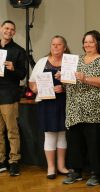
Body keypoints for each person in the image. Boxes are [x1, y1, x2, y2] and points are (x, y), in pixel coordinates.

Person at [61, 30, 100, 186]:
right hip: (74, 109)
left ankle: (97, 173)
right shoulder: (75, 59)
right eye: (85, 42)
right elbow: (68, 81)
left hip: (96, 111)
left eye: (91, 41)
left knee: (95, 145)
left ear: (98, 43)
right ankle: (76, 171)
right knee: (75, 142)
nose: (88, 44)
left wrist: (86, 78)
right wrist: (62, 77)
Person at [29, 35, 70, 179]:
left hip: (64, 101)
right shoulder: (42, 62)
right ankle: (51, 168)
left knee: (62, 133)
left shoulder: (69, 63)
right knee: (50, 134)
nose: (55, 47)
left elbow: (75, 82)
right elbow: (32, 82)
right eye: (53, 44)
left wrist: (64, 88)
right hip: (47, 102)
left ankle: (61, 166)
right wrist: (35, 88)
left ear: (64, 47)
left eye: (59, 45)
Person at [0, 20, 26, 176]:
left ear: (14, 33)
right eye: (6, 28)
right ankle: (1, 161)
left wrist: (13, 69)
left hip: (9, 95)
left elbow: (22, 75)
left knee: (12, 131)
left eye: (12, 29)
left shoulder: (18, 51)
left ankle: (14, 161)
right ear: (1, 29)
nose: (8, 31)